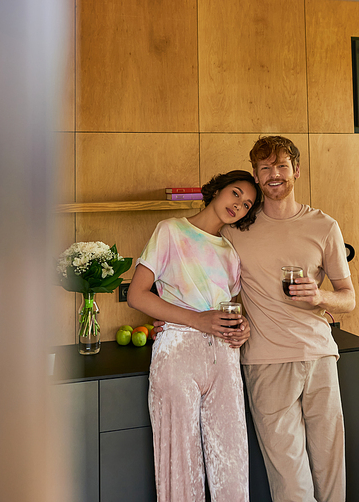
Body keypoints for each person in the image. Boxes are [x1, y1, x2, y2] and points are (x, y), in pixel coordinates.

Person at [221, 135, 356, 502]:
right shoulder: (235, 230)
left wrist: (319, 295)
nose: (274, 174)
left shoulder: (324, 226)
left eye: (281, 166)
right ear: (256, 175)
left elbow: (349, 298)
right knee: (289, 479)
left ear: (296, 170)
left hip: (319, 356)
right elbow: (219, 289)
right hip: (266, 361)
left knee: (331, 467)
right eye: (265, 168)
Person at [127, 170, 262, 502]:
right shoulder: (171, 231)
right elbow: (137, 295)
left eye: (246, 205)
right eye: (235, 194)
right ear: (217, 190)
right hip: (178, 353)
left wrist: (240, 327)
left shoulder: (231, 252)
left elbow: (225, 306)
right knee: (179, 463)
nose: (239, 205)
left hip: (225, 357)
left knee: (232, 459)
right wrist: (197, 320)